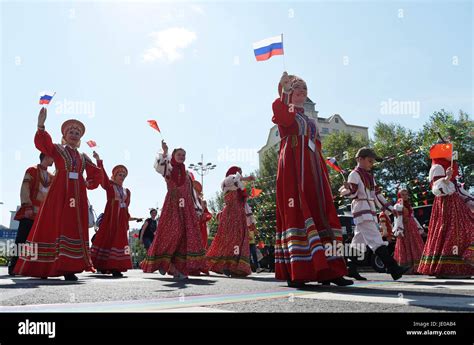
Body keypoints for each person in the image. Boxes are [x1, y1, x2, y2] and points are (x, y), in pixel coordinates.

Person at [272, 72, 352, 287]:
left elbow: (317, 144)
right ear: (287, 90)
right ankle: (298, 270)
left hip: (313, 168)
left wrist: (323, 170)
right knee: (297, 208)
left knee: (322, 211)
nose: (300, 90)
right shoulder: (283, 108)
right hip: (293, 166)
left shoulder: (309, 119)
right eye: (295, 87)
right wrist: (284, 93)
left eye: (304, 88)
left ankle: (331, 270)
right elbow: (284, 119)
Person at [14, 107, 102, 281]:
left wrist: (87, 182)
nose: (74, 134)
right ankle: (42, 266)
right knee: (54, 224)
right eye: (71, 131)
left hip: (78, 197)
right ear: (65, 135)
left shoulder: (83, 157)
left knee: (73, 227)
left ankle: (69, 268)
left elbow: (96, 174)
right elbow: (43, 144)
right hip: (60, 192)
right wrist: (41, 125)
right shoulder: (58, 150)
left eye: (77, 132)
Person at [339, 147, 409, 281]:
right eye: (370, 161)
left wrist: (389, 208)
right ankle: (393, 268)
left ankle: (350, 267)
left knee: (358, 242)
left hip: (368, 210)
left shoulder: (369, 176)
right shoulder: (354, 174)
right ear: (360, 159)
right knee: (376, 240)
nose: (372, 164)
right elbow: (352, 192)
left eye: (372, 162)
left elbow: (376, 195)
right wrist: (347, 188)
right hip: (362, 209)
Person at [141, 141, 207, 280]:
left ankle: (178, 268)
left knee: (185, 236)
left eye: (184, 155)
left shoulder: (188, 174)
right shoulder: (169, 168)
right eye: (179, 154)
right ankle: (164, 262)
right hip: (173, 204)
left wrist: (197, 209)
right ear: (173, 155)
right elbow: (160, 166)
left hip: (186, 207)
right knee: (173, 232)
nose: (182, 156)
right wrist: (165, 152)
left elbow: (191, 192)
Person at [417, 142, 474, 278]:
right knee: (453, 233)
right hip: (446, 205)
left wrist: (471, 201)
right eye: (449, 151)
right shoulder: (437, 167)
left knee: (464, 232)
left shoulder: (449, 167)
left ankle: (463, 264)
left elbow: (460, 190)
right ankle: (449, 267)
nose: (452, 154)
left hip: (456, 204)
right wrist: (447, 178)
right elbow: (437, 190)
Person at [90, 152, 141, 278]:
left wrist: (128, 220)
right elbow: (103, 176)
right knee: (108, 237)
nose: (122, 177)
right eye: (119, 174)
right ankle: (105, 264)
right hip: (111, 217)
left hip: (121, 219)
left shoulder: (126, 191)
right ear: (114, 175)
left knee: (120, 241)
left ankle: (117, 266)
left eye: (124, 175)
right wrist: (99, 161)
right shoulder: (110, 186)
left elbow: (127, 206)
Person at [8, 153, 54, 276]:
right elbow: (25, 188)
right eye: (52, 156)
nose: (54, 159)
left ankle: (31, 267)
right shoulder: (32, 170)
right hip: (30, 211)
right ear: (45, 156)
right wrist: (26, 206)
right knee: (21, 240)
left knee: (36, 242)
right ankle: (13, 266)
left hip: (42, 215)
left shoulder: (51, 175)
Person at [206, 167, 254, 277]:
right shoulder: (228, 183)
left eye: (241, 174)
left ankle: (235, 267)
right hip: (231, 216)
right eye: (239, 173)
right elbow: (234, 179)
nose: (240, 176)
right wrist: (246, 178)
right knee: (229, 240)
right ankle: (228, 265)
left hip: (239, 216)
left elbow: (245, 205)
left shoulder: (238, 187)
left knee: (239, 239)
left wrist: (250, 221)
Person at [392, 188, 425, 274]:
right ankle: (408, 268)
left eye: (406, 194)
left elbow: (413, 217)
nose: (405, 196)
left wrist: (419, 227)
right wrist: (399, 230)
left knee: (415, 245)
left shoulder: (408, 205)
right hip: (405, 228)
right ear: (399, 195)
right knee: (407, 246)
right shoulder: (398, 206)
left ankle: (419, 267)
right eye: (403, 194)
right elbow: (398, 219)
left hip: (412, 227)